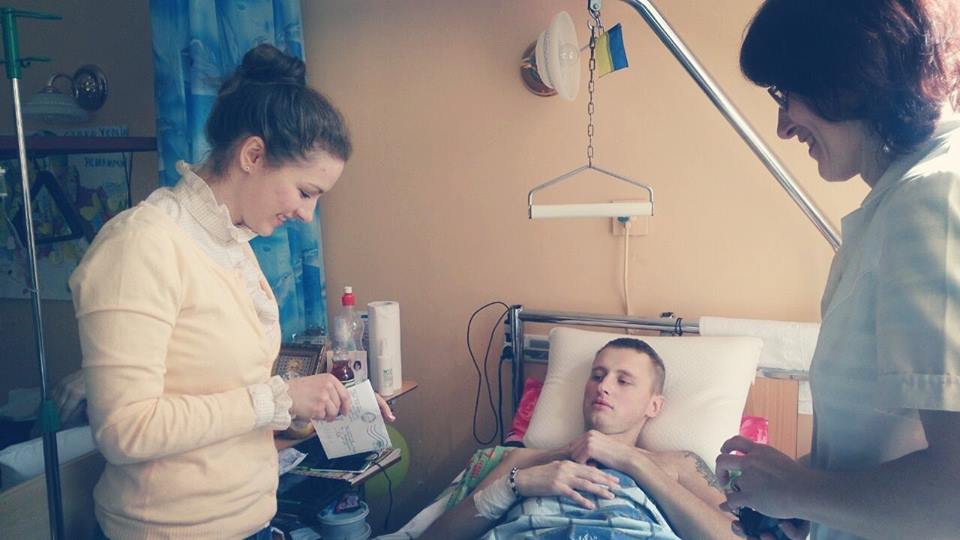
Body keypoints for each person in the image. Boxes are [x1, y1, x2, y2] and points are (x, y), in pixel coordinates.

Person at [69, 43, 394, 540]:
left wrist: (318, 401)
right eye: (305, 192)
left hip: (249, 520)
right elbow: (124, 430)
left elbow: (223, 394)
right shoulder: (141, 244)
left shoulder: (230, 245)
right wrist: (278, 398)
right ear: (253, 155)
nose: (306, 214)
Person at [715, 1, 960, 539]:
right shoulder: (902, 203)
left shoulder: (931, 200)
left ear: (846, 77)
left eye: (786, 95)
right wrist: (807, 489)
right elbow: (899, 444)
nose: (782, 127)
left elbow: (955, 495)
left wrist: (799, 491)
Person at [423, 338, 740, 540]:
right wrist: (514, 486)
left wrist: (632, 461)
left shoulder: (679, 464)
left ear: (654, 405)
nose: (603, 387)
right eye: (597, 376)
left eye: (623, 381)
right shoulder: (524, 461)